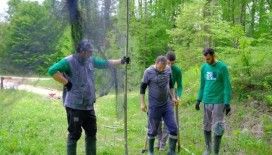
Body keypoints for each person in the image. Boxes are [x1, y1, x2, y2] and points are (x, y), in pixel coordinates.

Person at [48, 39, 130, 155]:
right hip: (74, 107)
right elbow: (52, 71)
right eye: (89, 51)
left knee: (91, 133)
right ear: (82, 51)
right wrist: (66, 82)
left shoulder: (90, 60)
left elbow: (105, 63)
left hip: (88, 106)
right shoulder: (69, 61)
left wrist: (121, 61)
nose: (91, 53)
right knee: (74, 134)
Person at [195, 48, 231, 155]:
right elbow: (202, 85)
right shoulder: (204, 68)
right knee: (206, 125)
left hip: (218, 101)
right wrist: (198, 99)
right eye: (205, 59)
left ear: (213, 55)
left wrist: (227, 102)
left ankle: (216, 152)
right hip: (206, 100)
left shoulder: (222, 67)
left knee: (218, 126)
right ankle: (208, 149)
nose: (207, 61)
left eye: (209, 59)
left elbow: (227, 86)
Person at [140, 55, 178, 155]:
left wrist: (173, 97)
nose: (161, 70)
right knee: (153, 130)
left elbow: (171, 84)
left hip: (167, 105)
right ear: (155, 63)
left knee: (173, 128)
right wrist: (142, 103)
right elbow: (142, 88)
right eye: (159, 67)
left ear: (166, 65)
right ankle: (151, 151)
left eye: (163, 67)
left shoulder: (168, 69)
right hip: (154, 106)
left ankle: (171, 151)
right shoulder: (148, 72)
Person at [156, 51, 182, 151]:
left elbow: (179, 85)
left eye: (172, 63)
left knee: (168, 121)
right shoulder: (159, 67)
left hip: (170, 97)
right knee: (157, 120)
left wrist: (178, 96)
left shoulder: (177, 70)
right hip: (158, 97)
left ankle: (163, 142)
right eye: (168, 62)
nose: (170, 65)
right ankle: (159, 139)